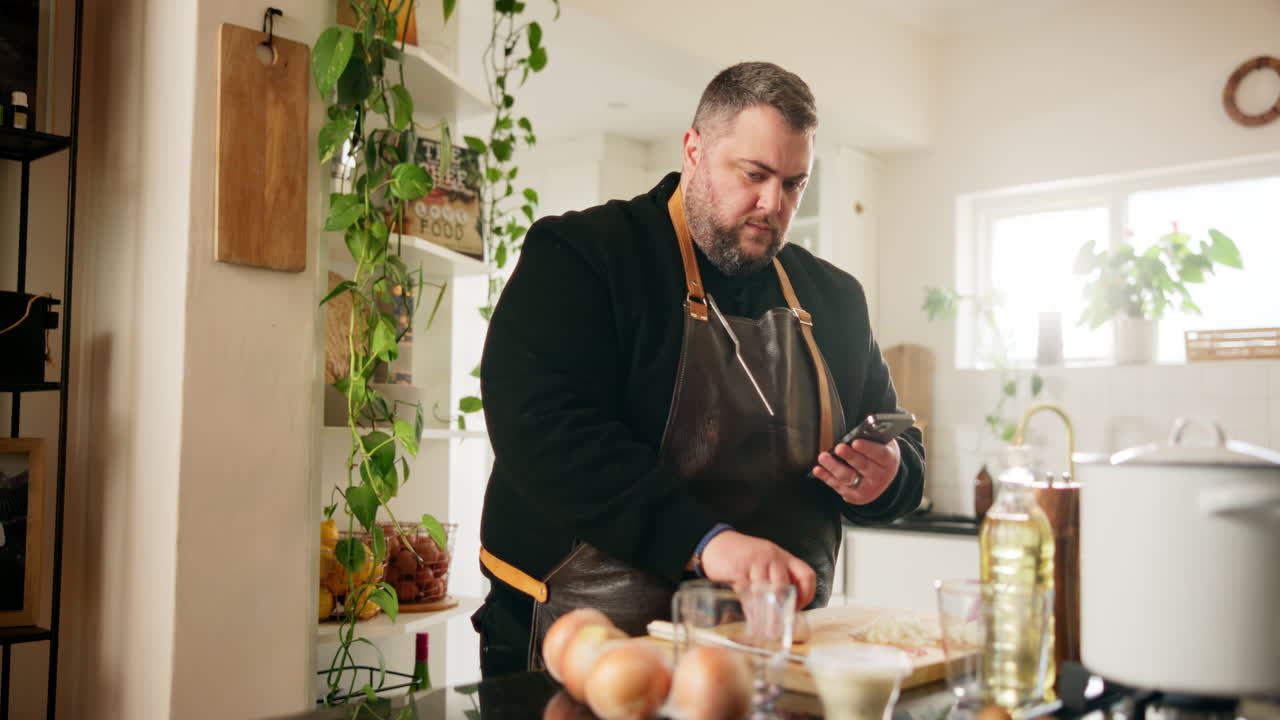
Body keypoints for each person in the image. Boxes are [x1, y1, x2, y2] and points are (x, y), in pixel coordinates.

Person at [471, 61, 925, 677]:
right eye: (755, 174)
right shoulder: (585, 255)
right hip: (585, 644)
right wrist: (708, 543)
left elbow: (903, 454)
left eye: (795, 184)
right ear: (694, 150)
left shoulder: (835, 299)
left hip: (777, 657)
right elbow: (543, 430)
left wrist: (888, 478)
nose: (774, 204)